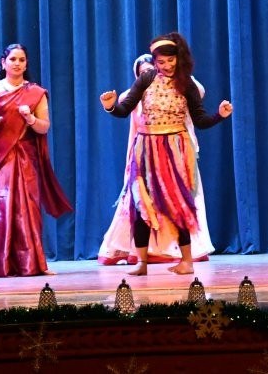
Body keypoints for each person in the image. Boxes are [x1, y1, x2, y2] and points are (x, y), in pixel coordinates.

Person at [100, 33, 233, 276]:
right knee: (141, 203)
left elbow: (200, 120)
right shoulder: (146, 79)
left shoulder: (187, 84)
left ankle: (186, 261)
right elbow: (124, 109)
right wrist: (110, 106)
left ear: (178, 59)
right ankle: (141, 262)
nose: (167, 66)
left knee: (178, 204)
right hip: (145, 150)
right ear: (155, 61)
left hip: (174, 151)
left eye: (171, 61)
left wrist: (219, 116)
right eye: (161, 62)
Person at [0, 43, 72, 277]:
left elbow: (44, 127)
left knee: (26, 208)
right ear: (3, 62)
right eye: (13, 59)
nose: (17, 64)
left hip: (25, 157)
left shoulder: (36, 93)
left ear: (26, 64)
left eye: (21, 60)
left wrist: (30, 119)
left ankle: (32, 263)